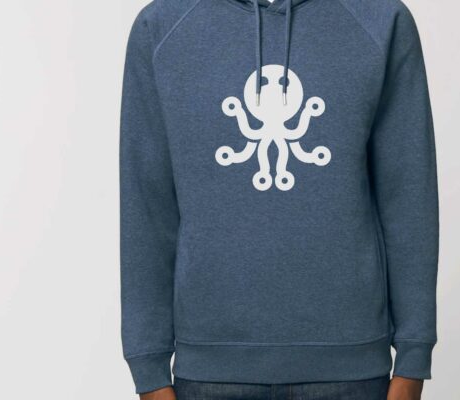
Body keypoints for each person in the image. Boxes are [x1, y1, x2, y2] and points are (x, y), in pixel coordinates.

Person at [120, 0, 439, 399]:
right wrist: (149, 369)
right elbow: (146, 207)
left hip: (351, 369)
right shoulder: (161, 28)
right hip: (210, 371)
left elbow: (409, 196)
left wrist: (413, 359)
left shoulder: (381, 21)